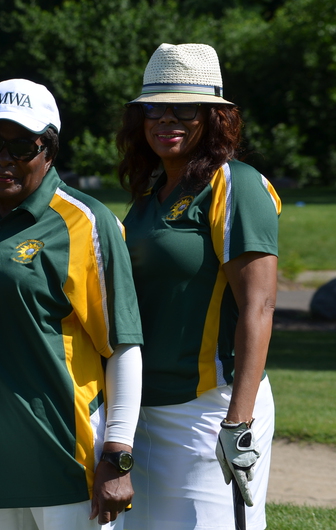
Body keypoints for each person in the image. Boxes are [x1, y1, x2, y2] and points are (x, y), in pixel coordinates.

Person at [0, 79, 144, 530]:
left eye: (22, 147)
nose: (3, 159)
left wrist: (118, 453)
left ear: (49, 152)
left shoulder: (86, 221)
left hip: (66, 461)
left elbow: (123, 344)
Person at [116, 43, 282, 529]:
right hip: (144, 407)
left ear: (213, 117)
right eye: (154, 108)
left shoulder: (234, 183)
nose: (167, 118)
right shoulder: (150, 193)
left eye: (185, 107)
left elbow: (260, 305)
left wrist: (239, 421)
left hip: (210, 410)